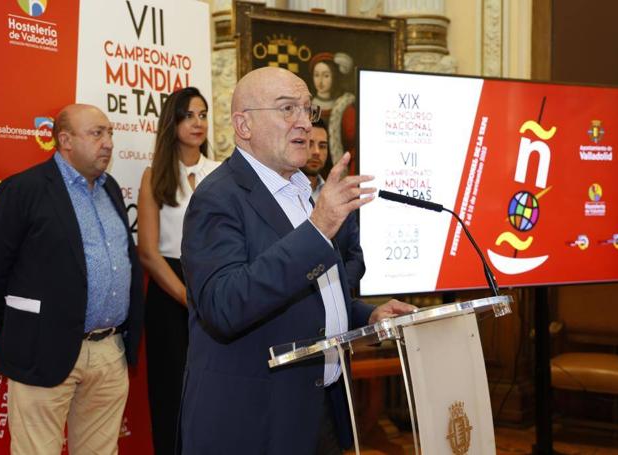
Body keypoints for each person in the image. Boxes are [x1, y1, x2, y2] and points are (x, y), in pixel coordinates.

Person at [179, 66, 416, 454]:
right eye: (288, 109)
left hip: (317, 405)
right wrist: (318, 228)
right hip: (254, 421)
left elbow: (311, 293)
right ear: (244, 125)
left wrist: (364, 315)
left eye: (308, 110)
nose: (304, 123)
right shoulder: (217, 198)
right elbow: (224, 305)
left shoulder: (297, 190)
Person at [0, 104, 144, 455]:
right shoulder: (24, 190)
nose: (108, 142)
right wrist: (25, 330)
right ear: (64, 140)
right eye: (97, 133)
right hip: (42, 351)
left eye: (110, 132)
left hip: (109, 353)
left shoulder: (109, 188)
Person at [137, 87, 219, 454]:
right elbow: (149, 254)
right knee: (171, 394)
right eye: (188, 115)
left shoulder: (222, 173)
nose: (197, 123)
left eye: (202, 114)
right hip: (170, 294)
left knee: (216, 390)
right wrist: (189, 298)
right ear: (173, 122)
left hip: (217, 287)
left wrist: (207, 298)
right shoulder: (154, 176)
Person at [301, 119, 365, 292]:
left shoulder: (340, 196)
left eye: (322, 146)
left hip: (339, 300)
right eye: (309, 144)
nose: (316, 152)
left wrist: (336, 291)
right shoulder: (286, 195)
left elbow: (356, 259)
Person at [310, 52, 357, 172]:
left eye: (326, 76)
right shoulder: (307, 105)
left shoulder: (344, 105)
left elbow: (352, 144)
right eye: (316, 75)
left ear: (334, 77)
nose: (320, 81)